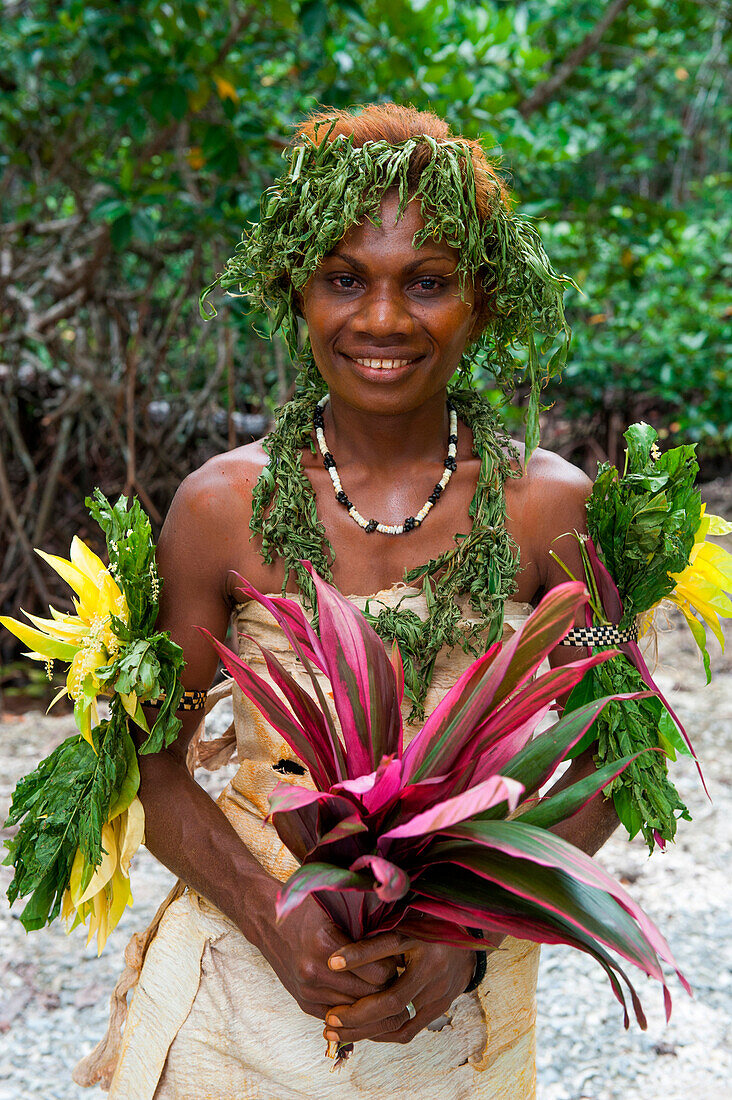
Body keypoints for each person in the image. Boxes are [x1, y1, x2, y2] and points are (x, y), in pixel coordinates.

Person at [78, 103, 620, 1099]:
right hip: (239, 1003)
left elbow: (620, 742)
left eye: (428, 280)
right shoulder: (220, 510)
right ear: (295, 290)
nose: (381, 319)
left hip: (460, 1017)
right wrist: (271, 908)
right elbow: (146, 761)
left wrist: (476, 930)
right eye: (343, 278)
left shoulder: (553, 508)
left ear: (485, 296)